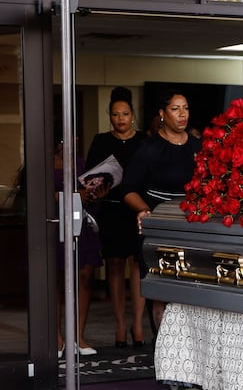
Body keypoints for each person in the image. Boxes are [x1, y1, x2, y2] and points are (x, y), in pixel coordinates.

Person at [121, 88, 202, 335]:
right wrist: (145, 211)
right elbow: (128, 190)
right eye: (175, 109)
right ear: (162, 114)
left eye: (185, 108)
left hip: (192, 226)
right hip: (159, 227)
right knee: (161, 290)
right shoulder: (149, 148)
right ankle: (163, 350)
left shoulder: (199, 147)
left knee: (192, 289)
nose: (182, 114)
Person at [84, 86, 147, 348]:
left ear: (132, 115)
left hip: (135, 210)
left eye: (125, 114)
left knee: (137, 266)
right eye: (115, 114)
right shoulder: (101, 140)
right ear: (109, 116)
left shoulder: (144, 141)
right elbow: (89, 177)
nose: (120, 119)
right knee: (115, 266)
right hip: (110, 208)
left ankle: (138, 324)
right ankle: (120, 323)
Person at [55, 137, 105, 357]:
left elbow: (90, 194)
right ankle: (57, 338)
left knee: (85, 278)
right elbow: (37, 195)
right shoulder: (43, 163)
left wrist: (97, 193)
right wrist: (73, 196)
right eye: (64, 141)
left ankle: (78, 336)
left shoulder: (83, 163)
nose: (69, 144)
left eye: (74, 140)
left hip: (81, 224)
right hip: (55, 224)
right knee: (56, 281)